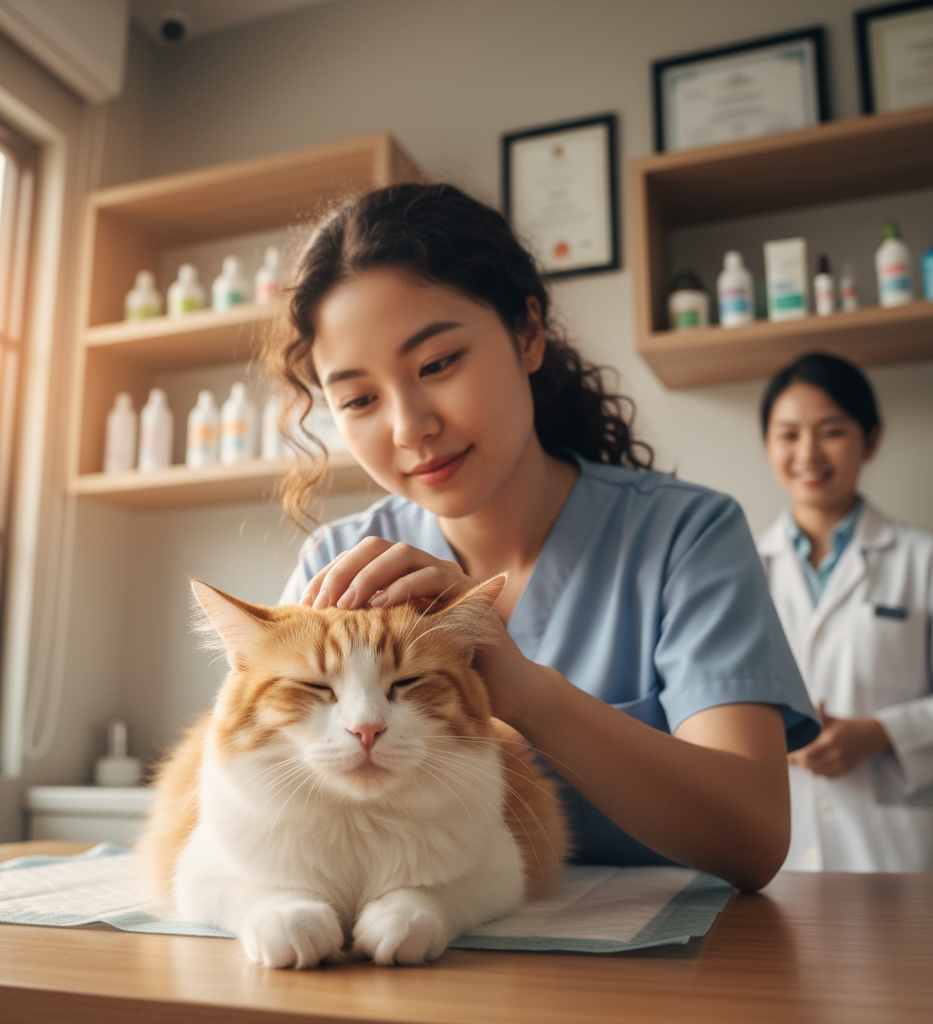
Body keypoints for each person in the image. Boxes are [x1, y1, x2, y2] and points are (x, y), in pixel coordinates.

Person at [266, 183, 818, 891]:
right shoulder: (336, 571)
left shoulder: (686, 535)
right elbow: (262, 799)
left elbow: (754, 836)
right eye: (359, 399)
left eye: (437, 364)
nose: (409, 428)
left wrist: (528, 695)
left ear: (528, 334)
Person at [756, 352, 933, 872]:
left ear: (871, 440)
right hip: (777, 851)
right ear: (768, 445)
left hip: (893, 856)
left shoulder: (921, 560)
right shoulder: (740, 568)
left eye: (830, 431)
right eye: (788, 435)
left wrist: (881, 733)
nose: (807, 452)